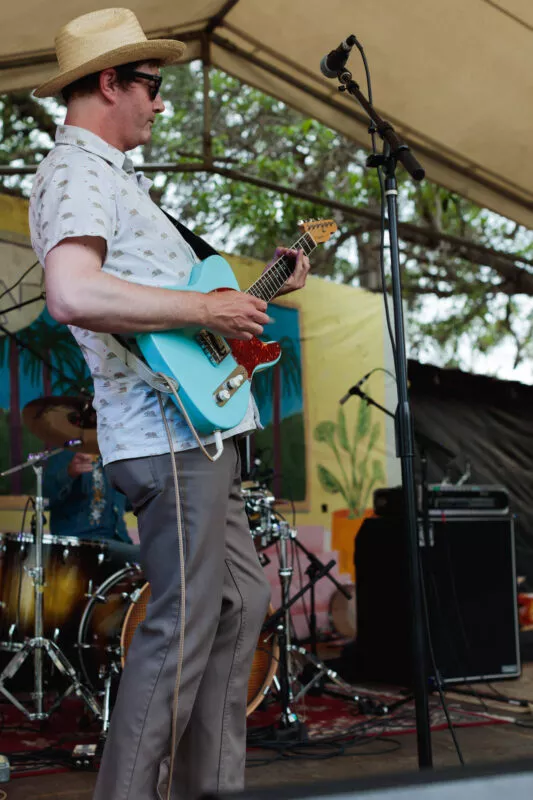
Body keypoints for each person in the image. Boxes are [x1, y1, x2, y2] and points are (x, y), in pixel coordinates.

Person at [29, 8, 311, 800]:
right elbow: (73, 293)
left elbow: (177, 302)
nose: (160, 103)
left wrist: (245, 294)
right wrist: (207, 311)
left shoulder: (115, 179)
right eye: (150, 86)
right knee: (184, 618)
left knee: (242, 596)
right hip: (162, 432)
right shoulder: (77, 171)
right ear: (110, 82)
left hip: (195, 426)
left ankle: (208, 787)